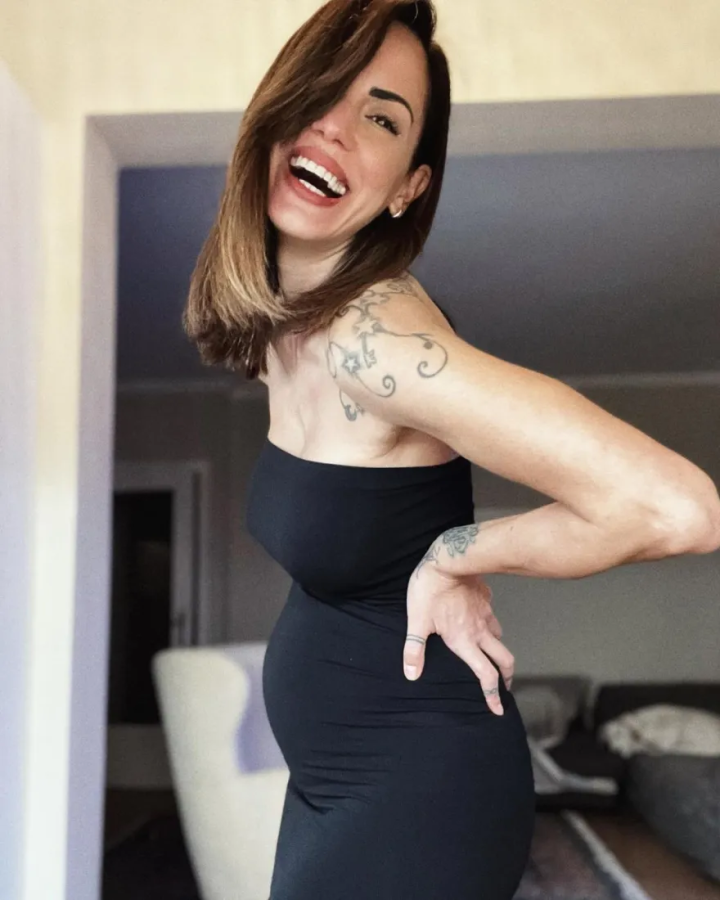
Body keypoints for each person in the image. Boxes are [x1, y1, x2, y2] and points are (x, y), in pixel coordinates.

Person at [183, 1, 720, 897]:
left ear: (408, 187)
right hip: (334, 782)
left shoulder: (379, 345)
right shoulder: (287, 331)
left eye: (381, 119)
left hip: (418, 793)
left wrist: (457, 554)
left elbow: (678, 508)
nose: (334, 127)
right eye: (322, 91)